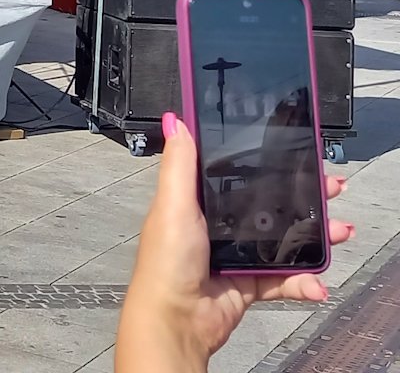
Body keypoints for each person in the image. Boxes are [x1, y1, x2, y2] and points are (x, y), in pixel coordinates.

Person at [114, 112, 353, 372]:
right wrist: (173, 325)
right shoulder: (243, 207)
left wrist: (171, 328)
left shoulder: (293, 222)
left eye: (302, 167)